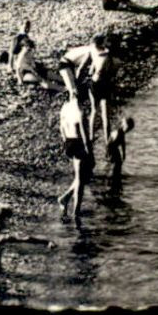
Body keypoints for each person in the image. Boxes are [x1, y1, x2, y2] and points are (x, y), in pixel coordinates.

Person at [0, 203, 55, 306]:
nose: (9, 222)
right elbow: (26, 239)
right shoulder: (1, 237)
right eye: (6, 219)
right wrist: (46, 242)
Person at [57, 87, 93, 220]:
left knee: (81, 177)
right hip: (78, 143)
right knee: (80, 180)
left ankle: (65, 198)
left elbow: (61, 127)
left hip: (68, 141)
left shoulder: (65, 107)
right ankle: (76, 212)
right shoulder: (80, 111)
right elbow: (84, 133)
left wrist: (65, 141)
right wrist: (89, 151)